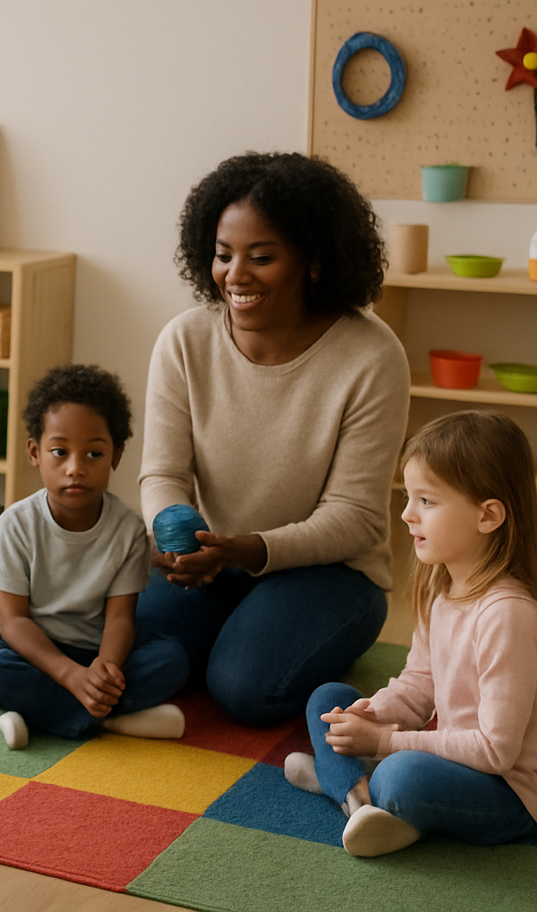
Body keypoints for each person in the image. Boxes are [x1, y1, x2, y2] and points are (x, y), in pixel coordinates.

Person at [137, 151, 410, 727]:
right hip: (214, 560)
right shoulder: (184, 340)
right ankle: (246, 627)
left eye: (260, 257)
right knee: (126, 645)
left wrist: (251, 549)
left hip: (331, 571)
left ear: (312, 262)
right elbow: (163, 474)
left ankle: (290, 636)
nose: (235, 275)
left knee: (243, 689)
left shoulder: (370, 356)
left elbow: (355, 518)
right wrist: (173, 530)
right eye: (223, 254)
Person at [286, 411, 537, 856]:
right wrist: (375, 713)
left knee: (400, 776)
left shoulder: (508, 617)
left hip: (514, 793)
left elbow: (496, 752)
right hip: (459, 761)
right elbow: (420, 684)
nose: (406, 515)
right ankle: (358, 800)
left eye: (427, 501)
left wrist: (384, 742)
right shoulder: (443, 590)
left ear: (488, 516)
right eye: (409, 498)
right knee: (327, 700)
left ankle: (345, 783)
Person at [0, 364, 190, 750]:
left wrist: (105, 667)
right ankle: (110, 720)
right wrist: (69, 675)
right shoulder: (15, 524)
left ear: (115, 455)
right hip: (26, 649)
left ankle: (37, 713)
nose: (75, 469)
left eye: (94, 453)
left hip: (92, 647)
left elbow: (120, 619)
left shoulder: (128, 529)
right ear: (35, 453)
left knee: (171, 660)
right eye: (59, 452)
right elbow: (13, 621)